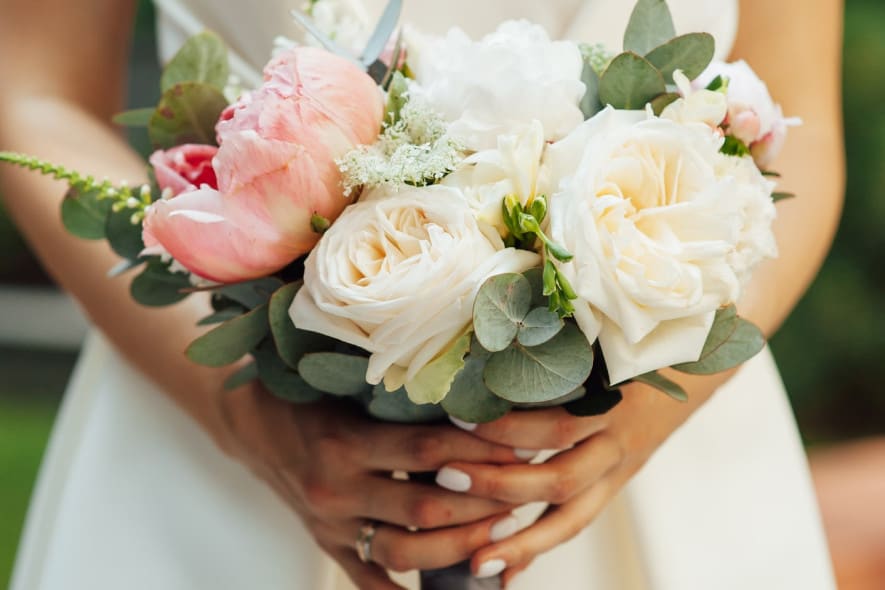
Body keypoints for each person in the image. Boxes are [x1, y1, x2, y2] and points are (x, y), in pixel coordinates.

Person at [0, 0, 844, 588]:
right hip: (217, 440)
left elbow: (800, 116)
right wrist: (237, 412)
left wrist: (648, 416)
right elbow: (33, 93)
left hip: (658, 439)